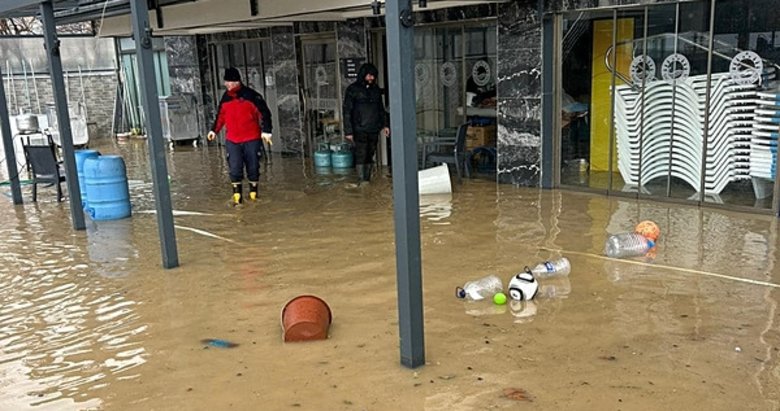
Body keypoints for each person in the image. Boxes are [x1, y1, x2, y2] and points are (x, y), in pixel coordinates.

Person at [207, 67, 273, 204]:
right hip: (233, 140)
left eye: (228, 82)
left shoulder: (252, 96)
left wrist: (266, 131)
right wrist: (214, 130)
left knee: (253, 167)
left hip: (252, 139)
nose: (226, 84)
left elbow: (265, 114)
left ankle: (254, 195)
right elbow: (221, 117)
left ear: (235, 82)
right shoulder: (225, 98)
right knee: (235, 168)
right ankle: (237, 198)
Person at [343, 63, 389, 183]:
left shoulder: (375, 90)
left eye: (373, 76)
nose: (371, 78)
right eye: (369, 75)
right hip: (359, 129)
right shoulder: (352, 90)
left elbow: (381, 109)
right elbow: (347, 111)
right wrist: (348, 131)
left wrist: (385, 125)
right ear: (363, 75)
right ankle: (361, 179)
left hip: (373, 128)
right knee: (361, 154)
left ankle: (366, 179)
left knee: (370, 154)